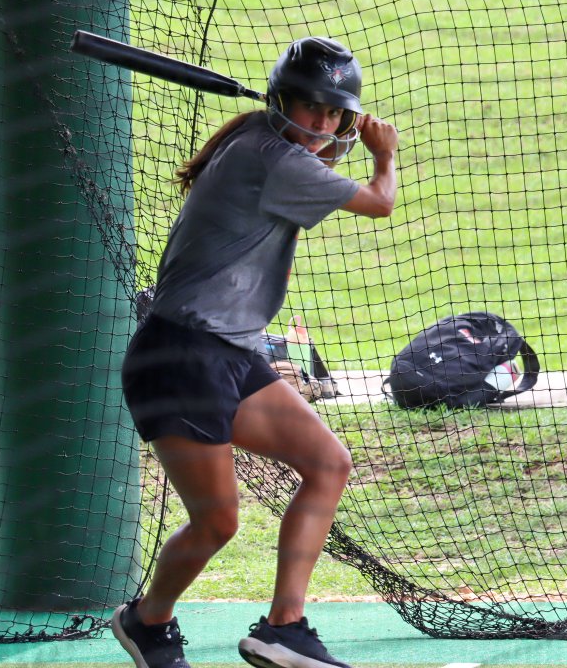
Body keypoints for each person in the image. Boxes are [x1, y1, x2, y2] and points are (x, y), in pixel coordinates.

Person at [112, 36, 398, 668]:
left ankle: (283, 628)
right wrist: (383, 153)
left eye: (335, 113)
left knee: (327, 464)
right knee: (217, 523)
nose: (322, 123)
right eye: (311, 107)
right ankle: (146, 620)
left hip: (228, 354)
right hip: (181, 357)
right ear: (281, 102)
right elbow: (380, 202)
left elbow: (320, 155)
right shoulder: (276, 160)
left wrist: (343, 137)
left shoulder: (255, 138)